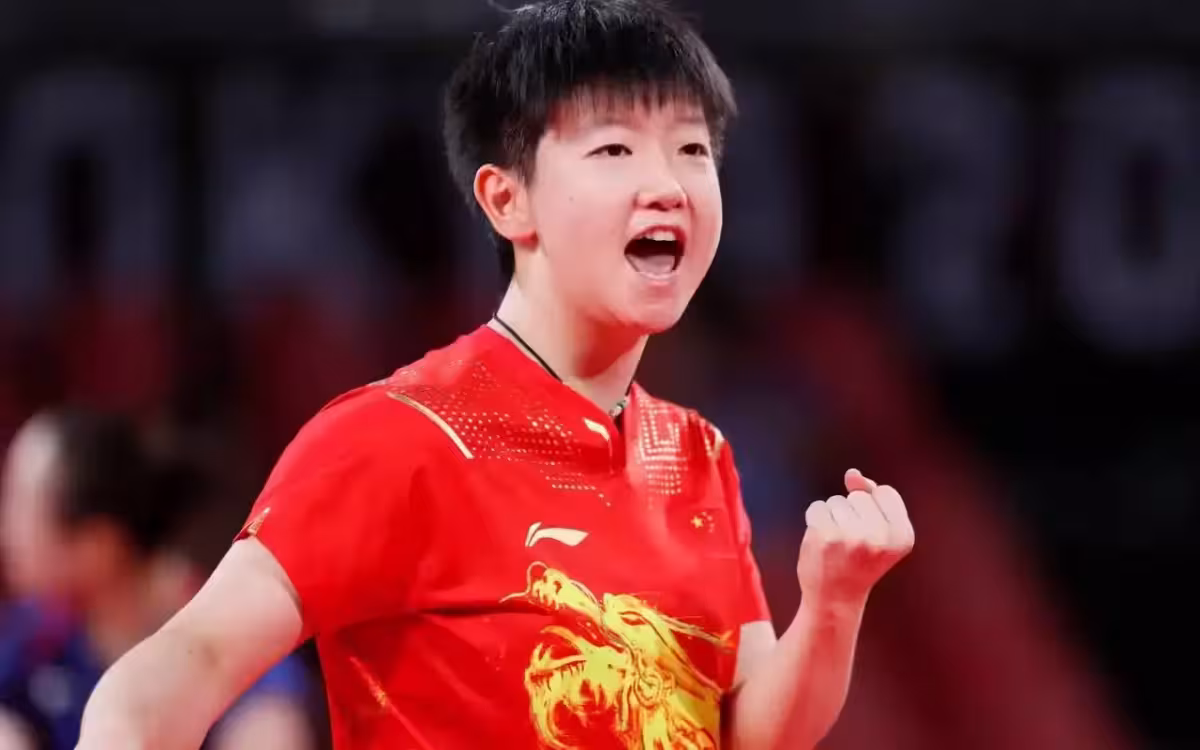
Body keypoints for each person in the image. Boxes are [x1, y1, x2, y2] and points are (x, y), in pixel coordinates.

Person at [75, 1, 915, 748]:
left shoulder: (697, 457)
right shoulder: (393, 437)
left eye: (692, 149)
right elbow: (180, 668)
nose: (666, 185)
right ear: (507, 199)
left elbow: (748, 733)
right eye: (614, 148)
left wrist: (833, 604)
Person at [0, 409, 316, 750]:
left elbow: (274, 730)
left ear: (98, 543)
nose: (6, 533)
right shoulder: (34, 635)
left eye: (21, 505)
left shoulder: (235, 635)